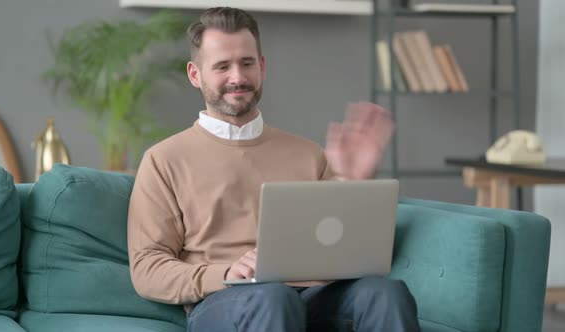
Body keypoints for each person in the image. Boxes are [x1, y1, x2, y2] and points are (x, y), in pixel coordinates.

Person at [128, 7, 420, 332]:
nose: (237, 77)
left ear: (262, 67)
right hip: (225, 300)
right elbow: (147, 268)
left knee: (386, 294)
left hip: (311, 294)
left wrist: (353, 182)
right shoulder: (163, 159)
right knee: (273, 297)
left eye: (247, 63)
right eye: (222, 66)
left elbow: (345, 250)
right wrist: (225, 273)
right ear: (195, 75)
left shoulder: (308, 154)